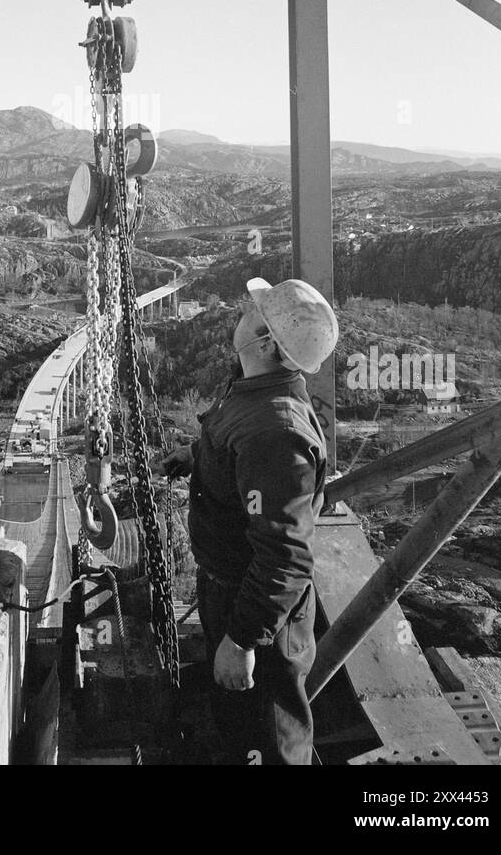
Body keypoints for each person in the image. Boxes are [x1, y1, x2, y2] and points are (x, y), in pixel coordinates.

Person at [162, 277, 338, 765]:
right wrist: (198, 455)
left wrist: (242, 640)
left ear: (265, 342)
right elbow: (240, 450)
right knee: (237, 720)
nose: (241, 312)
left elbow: (285, 556)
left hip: (255, 609)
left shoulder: (275, 431)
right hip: (233, 592)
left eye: (252, 312)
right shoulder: (256, 392)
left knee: (266, 739)